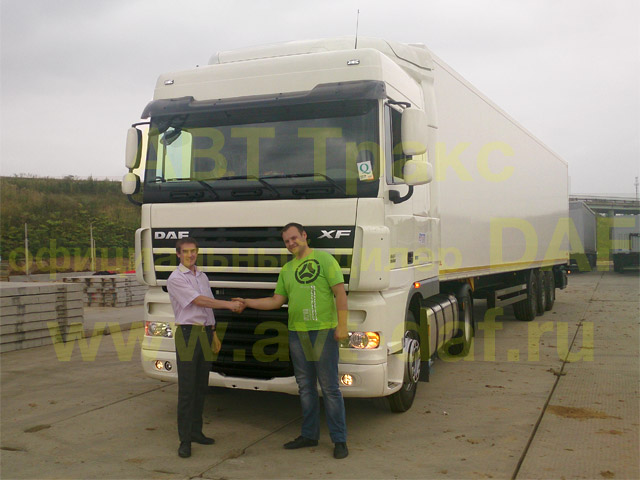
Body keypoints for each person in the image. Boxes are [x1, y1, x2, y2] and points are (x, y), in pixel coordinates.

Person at [234, 223, 349, 459]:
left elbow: (340, 293)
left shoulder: (325, 260)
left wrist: (343, 325)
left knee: (330, 388)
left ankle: (339, 440)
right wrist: (247, 302)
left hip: (323, 331)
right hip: (297, 333)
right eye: (286, 241)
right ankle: (309, 435)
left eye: (294, 238)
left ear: (304, 236)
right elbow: (276, 301)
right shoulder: (287, 269)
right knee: (305, 387)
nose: (291, 243)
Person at [167, 237, 244, 458]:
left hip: (204, 334)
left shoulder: (201, 276)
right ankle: (185, 440)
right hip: (188, 334)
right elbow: (199, 301)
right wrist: (229, 305)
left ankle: (196, 432)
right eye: (185, 251)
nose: (190, 255)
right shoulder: (175, 278)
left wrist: (213, 331)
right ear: (178, 254)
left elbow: (207, 308)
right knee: (187, 389)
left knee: (201, 386)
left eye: (193, 251)